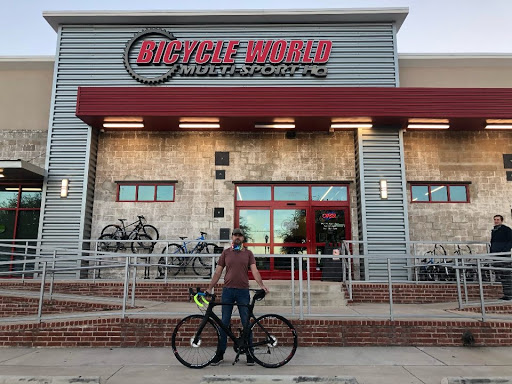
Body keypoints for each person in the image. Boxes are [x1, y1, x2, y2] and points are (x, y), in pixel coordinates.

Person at [206, 228, 269, 366]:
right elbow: (218, 272)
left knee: (246, 323)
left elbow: (254, 270)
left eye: (240, 235)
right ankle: (220, 353)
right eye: (235, 235)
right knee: (224, 323)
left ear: (243, 238)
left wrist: (262, 285)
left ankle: (249, 353)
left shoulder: (248, 253)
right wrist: (210, 287)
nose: (237, 237)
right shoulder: (226, 253)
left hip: (243, 291)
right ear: (232, 237)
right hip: (228, 291)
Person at [490, 215, 512, 300]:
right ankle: (507, 294)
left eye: (498, 220)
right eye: (495, 219)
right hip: (495, 256)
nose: (496, 221)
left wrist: (504, 250)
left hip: (504, 256)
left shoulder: (506, 230)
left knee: (507, 275)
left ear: (501, 220)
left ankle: (510, 294)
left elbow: (511, 241)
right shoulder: (494, 230)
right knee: (501, 275)